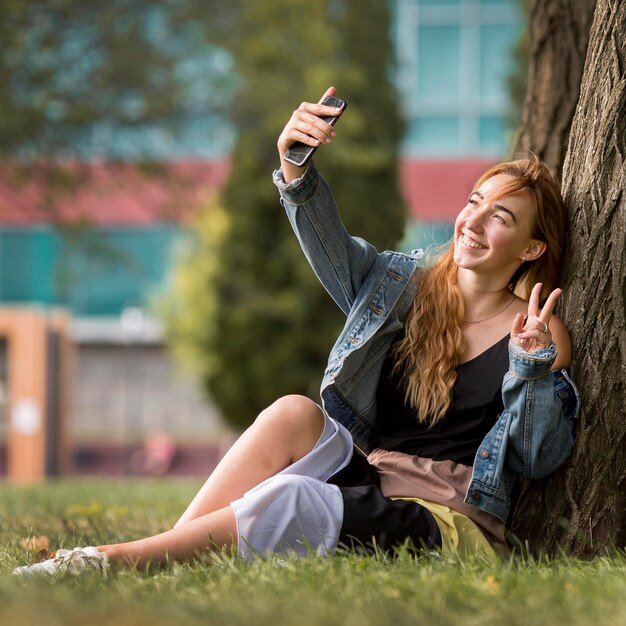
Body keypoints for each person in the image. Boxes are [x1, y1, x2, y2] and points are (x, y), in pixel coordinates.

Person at [13, 87, 580, 576]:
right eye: (474, 203)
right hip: (373, 482)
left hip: (449, 523)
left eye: (499, 219)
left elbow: (537, 456)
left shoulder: (535, 327)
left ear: (531, 248)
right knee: (292, 412)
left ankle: (109, 561)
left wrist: (529, 367)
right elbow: (333, 248)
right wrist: (296, 171)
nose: (472, 222)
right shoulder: (403, 285)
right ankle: (157, 555)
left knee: (292, 498)